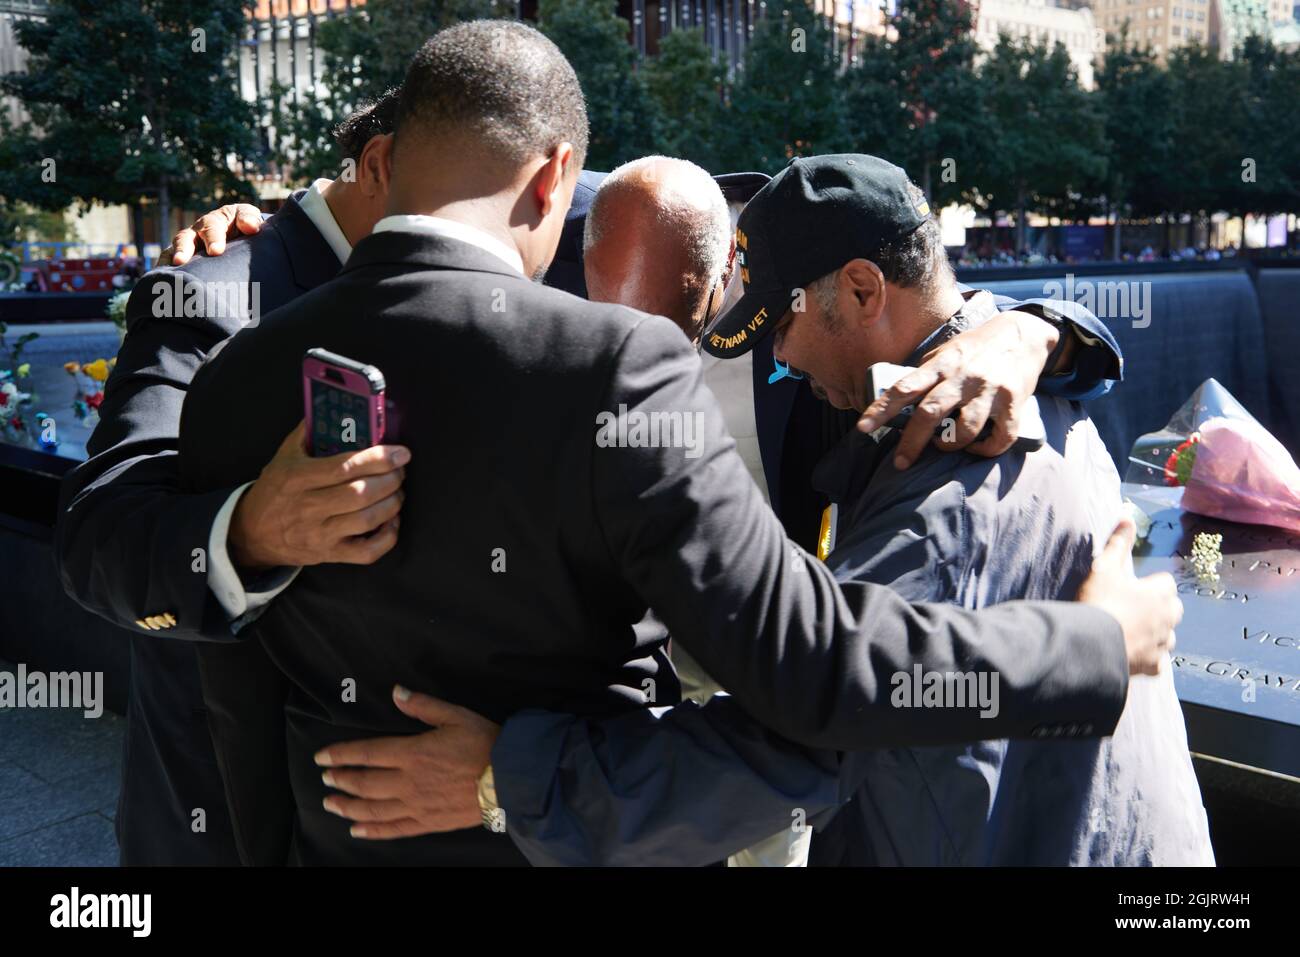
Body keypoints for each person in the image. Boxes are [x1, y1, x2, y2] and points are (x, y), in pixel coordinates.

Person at [177, 21, 1179, 866]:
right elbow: (822, 678)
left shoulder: (237, 371)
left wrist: (1034, 326)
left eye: (736, 318)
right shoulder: (595, 309)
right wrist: (288, 220)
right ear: (562, 206)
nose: (777, 356)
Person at [53, 91, 412, 865]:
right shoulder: (209, 285)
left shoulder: (519, 253)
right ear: (380, 164)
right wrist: (248, 530)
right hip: (221, 818)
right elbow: (96, 541)